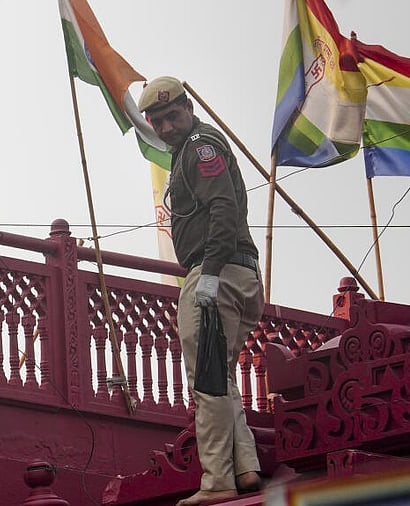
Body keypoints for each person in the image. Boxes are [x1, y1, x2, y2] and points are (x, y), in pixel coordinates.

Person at [138, 76, 264, 505]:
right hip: (237, 271)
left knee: (207, 380)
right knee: (221, 376)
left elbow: (223, 208)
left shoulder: (198, 146)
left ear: (189, 109)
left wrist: (208, 273)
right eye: (158, 121)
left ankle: (217, 481)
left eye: (173, 116)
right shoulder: (190, 149)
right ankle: (245, 468)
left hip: (218, 269)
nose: (167, 127)